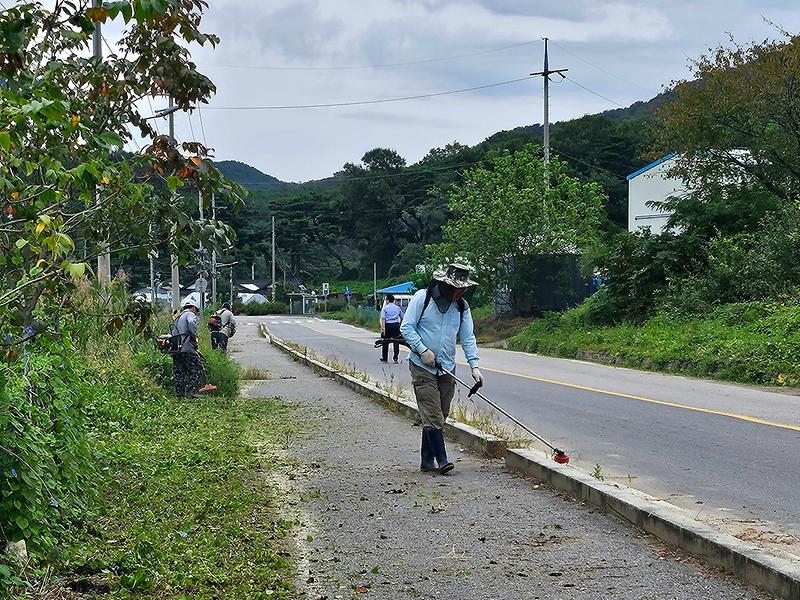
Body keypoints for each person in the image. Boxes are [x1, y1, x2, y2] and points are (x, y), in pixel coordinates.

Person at [400, 263, 483, 475]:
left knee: (440, 414)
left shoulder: (462, 307)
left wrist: (474, 366)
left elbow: (467, 338)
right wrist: (422, 350)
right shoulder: (422, 298)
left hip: (446, 368)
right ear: (446, 285)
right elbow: (407, 327)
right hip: (422, 366)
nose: (461, 292)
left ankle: (427, 461)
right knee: (433, 413)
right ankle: (442, 459)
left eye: (463, 289)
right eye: (458, 288)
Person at [172, 298, 204, 399]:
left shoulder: (178, 317)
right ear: (193, 308)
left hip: (176, 349)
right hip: (187, 348)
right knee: (197, 369)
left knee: (179, 372)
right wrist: (194, 338)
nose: (196, 312)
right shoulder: (190, 314)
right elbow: (191, 323)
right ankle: (191, 392)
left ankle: (180, 395)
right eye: (196, 310)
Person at [379, 294, 404, 363]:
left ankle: (385, 358)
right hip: (396, 325)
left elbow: (383, 319)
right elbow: (402, 316)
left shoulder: (385, 308)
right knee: (396, 342)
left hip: (388, 325)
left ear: (387, 300)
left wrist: (383, 329)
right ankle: (395, 358)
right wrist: (400, 324)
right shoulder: (397, 308)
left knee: (385, 342)